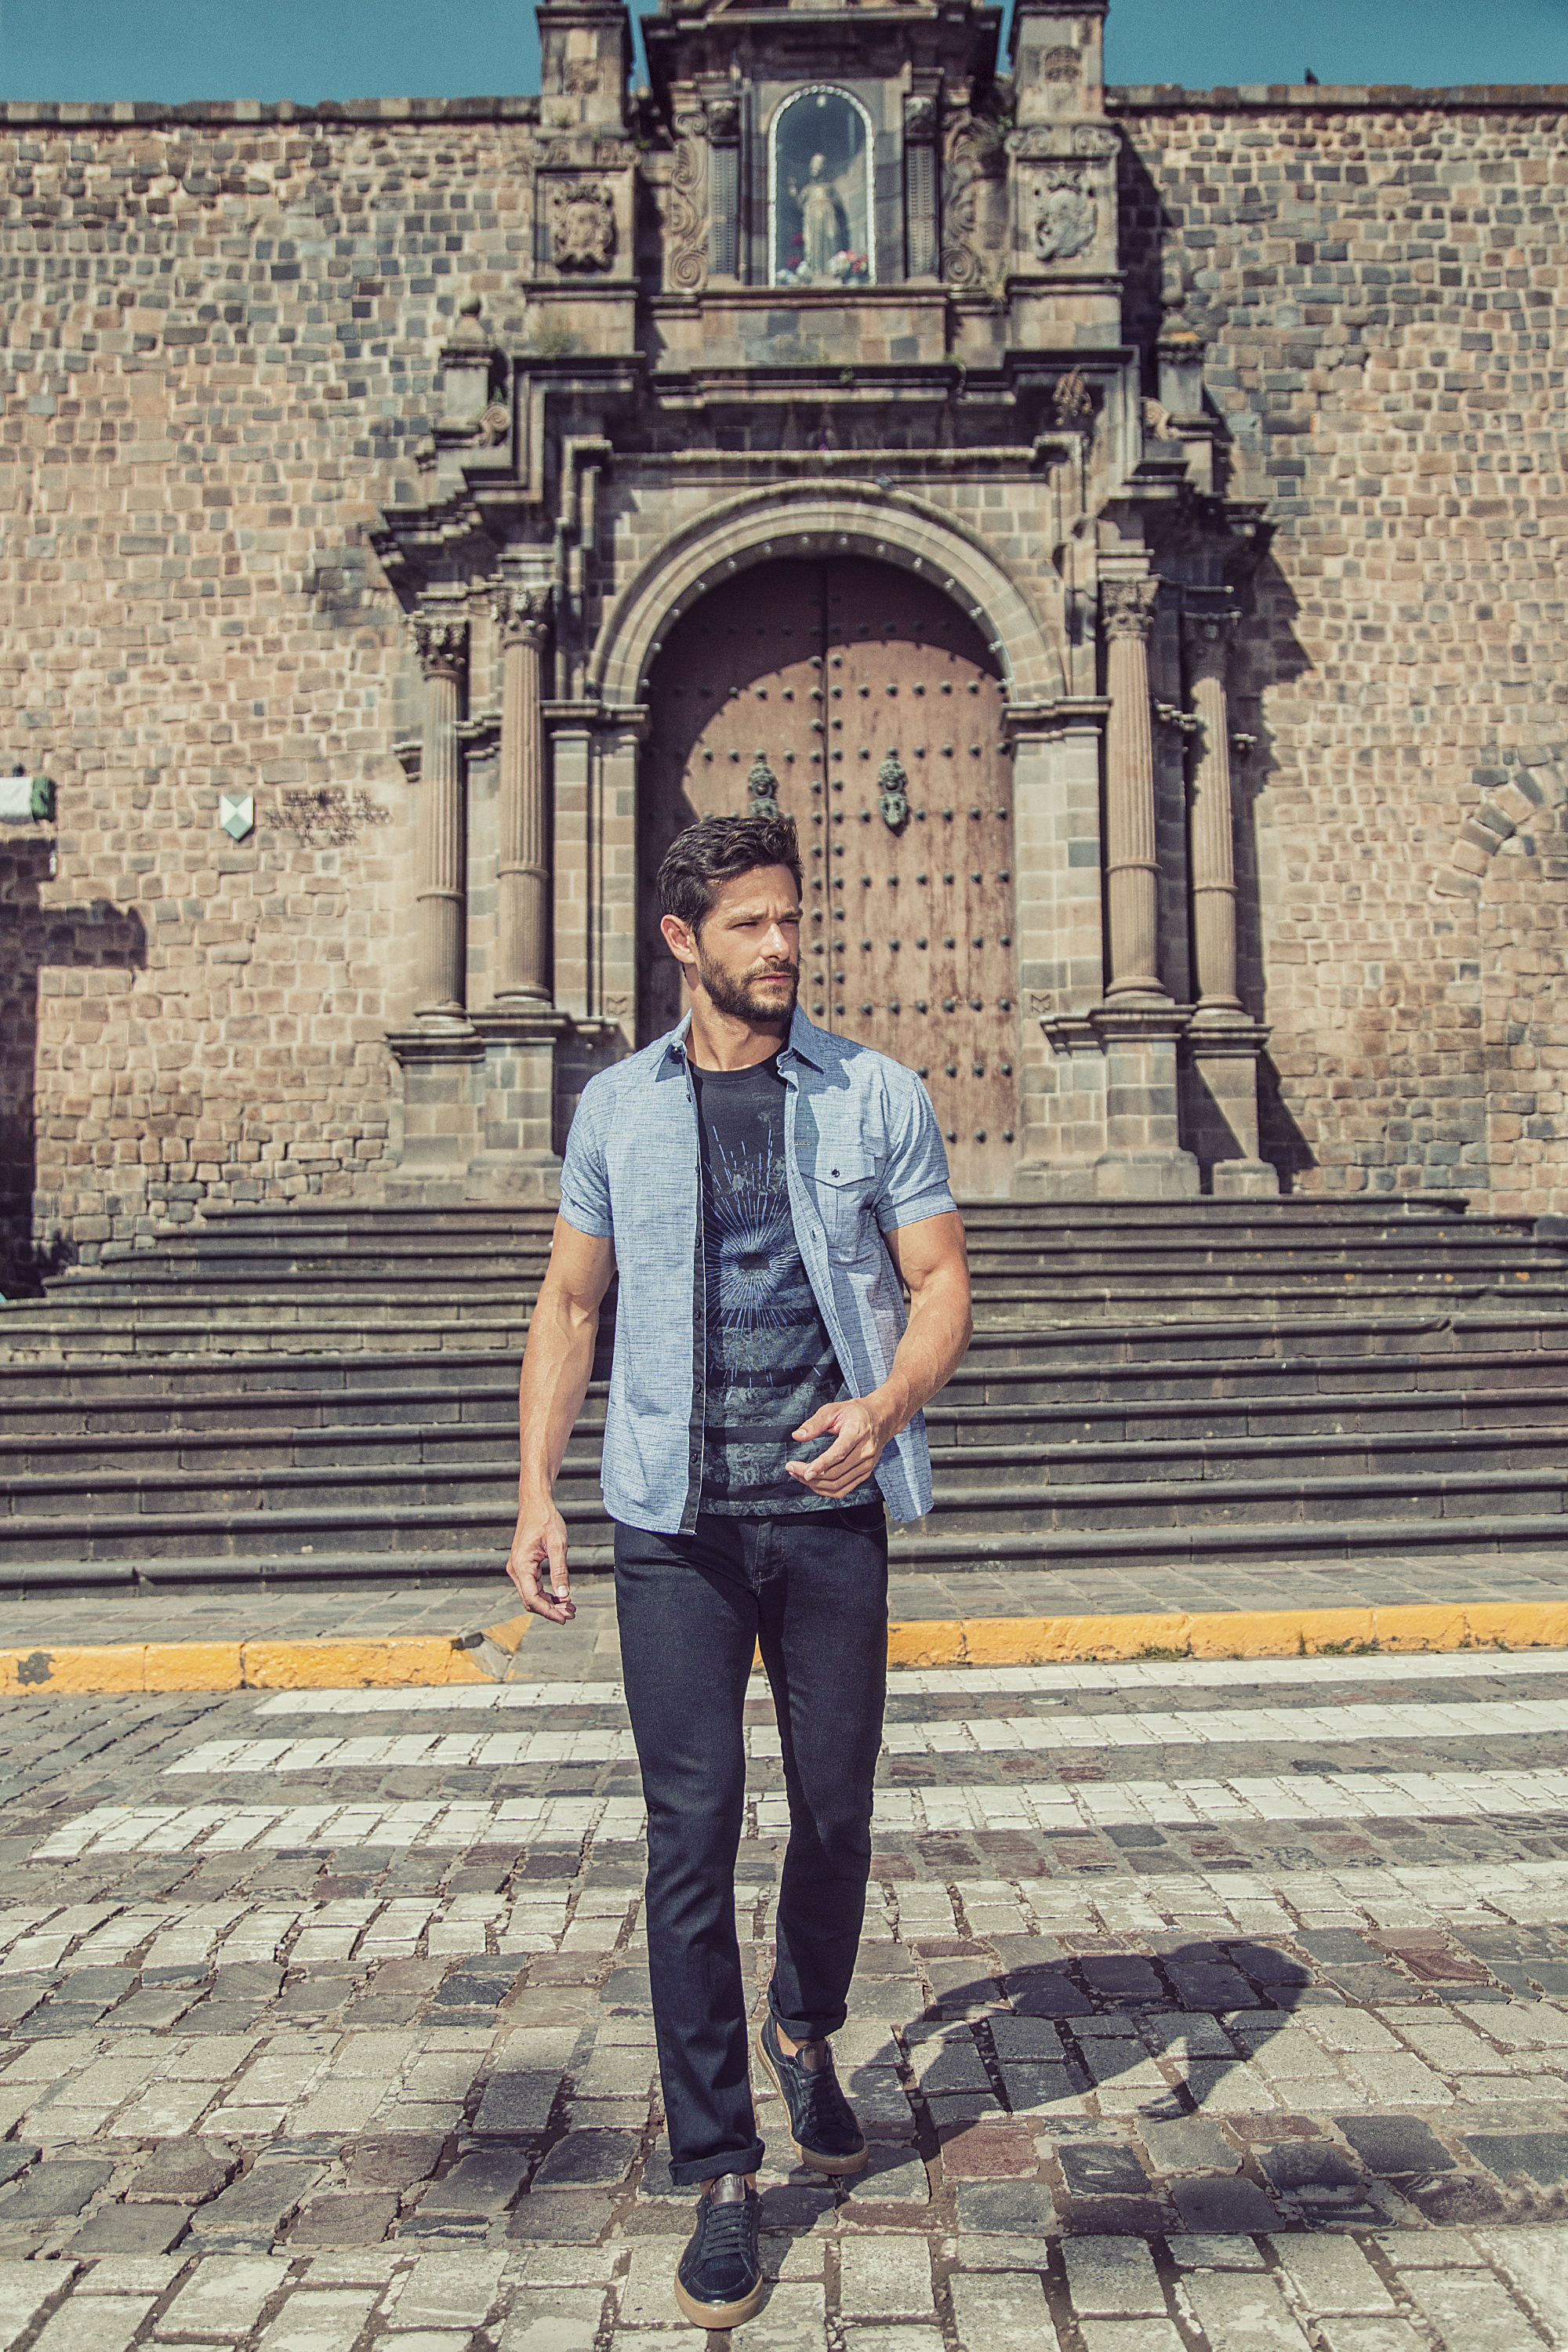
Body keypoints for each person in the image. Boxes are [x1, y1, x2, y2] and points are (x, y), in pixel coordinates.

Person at [505, 811, 972, 2330]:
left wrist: (887, 1406)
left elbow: (939, 1282)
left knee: (835, 1811)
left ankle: (804, 2022)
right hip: (673, 1528)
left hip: (830, 1515)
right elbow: (571, 1305)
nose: (781, 945)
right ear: (682, 941)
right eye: (750, 924)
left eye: (791, 919)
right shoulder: (615, 1111)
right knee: (689, 1838)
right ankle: (719, 2171)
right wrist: (536, 1491)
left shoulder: (873, 1093)